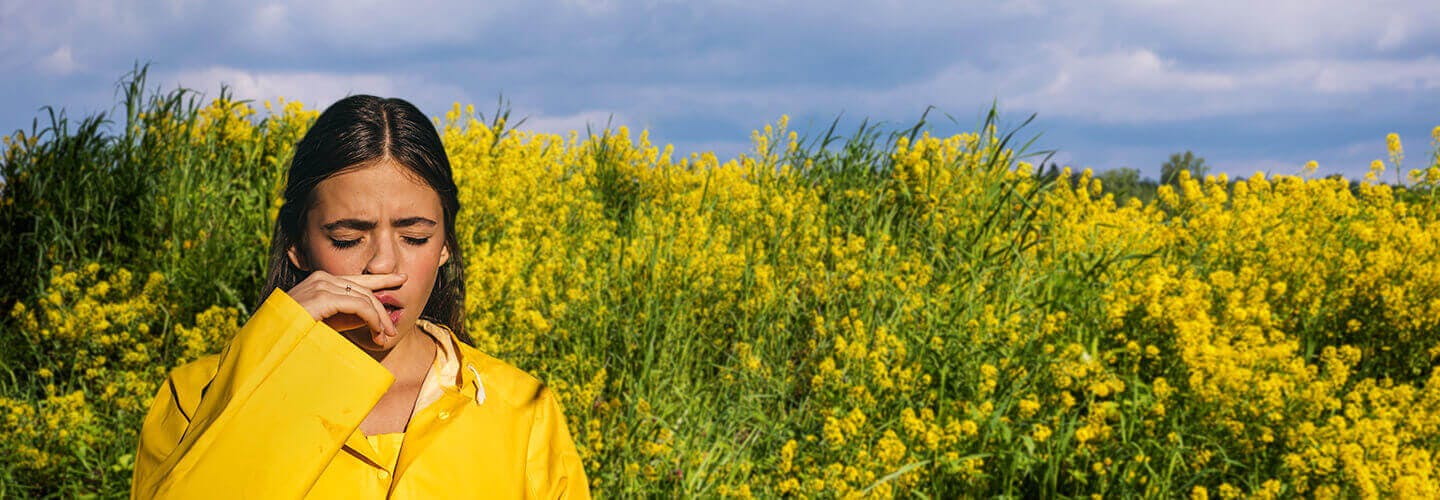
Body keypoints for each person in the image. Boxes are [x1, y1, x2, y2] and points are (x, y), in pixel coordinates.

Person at [129, 95, 590, 499]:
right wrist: (277, 353)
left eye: (415, 237)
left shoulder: (520, 411)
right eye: (348, 238)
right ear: (297, 243)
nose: (382, 266)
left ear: (446, 243)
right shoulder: (196, 396)